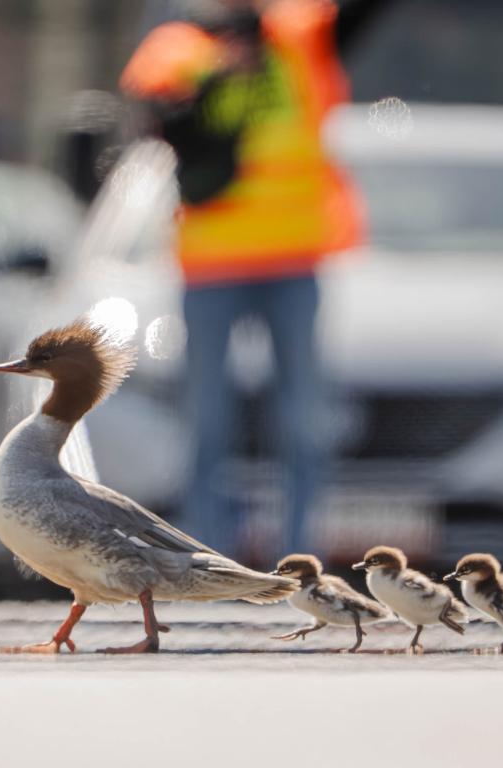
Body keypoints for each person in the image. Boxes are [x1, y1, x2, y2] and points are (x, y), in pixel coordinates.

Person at [120, 0, 369, 558]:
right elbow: (152, 114)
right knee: (208, 418)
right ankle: (206, 554)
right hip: (213, 262)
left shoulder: (299, 38)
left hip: (293, 258)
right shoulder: (181, 46)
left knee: (303, 418)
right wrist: (212, 78)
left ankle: (301, 556)